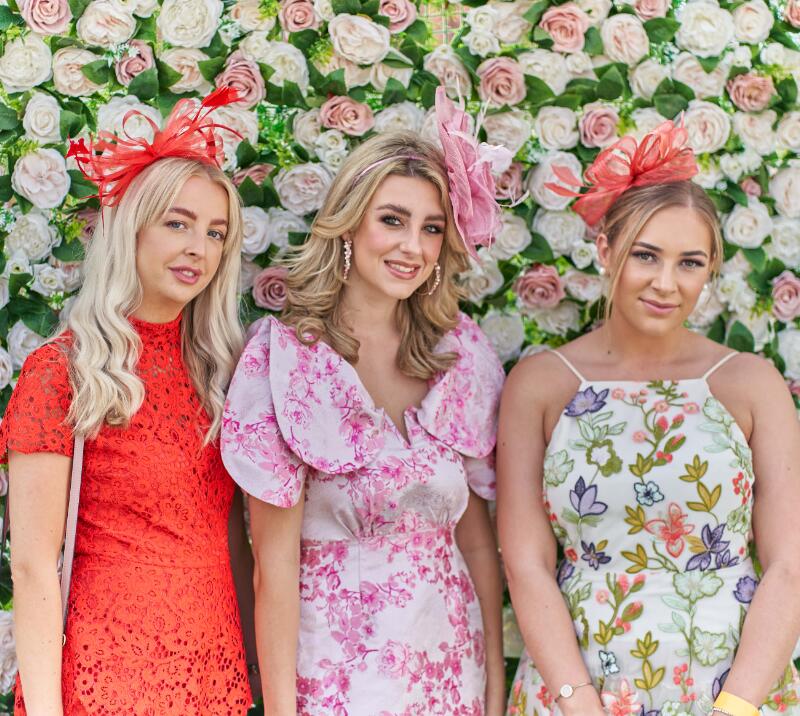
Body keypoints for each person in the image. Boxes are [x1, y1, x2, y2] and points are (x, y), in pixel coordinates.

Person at [221, 87, 508, 715]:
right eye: (393, 220)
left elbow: (477, 543)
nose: (413, 246)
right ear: (349, 222)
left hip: (451, 670)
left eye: (432, 228)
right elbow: (272, 563)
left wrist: (493, 687)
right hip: (336, 679)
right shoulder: (286, 359)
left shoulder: (460, 353)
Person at [498, 122, 800, 715]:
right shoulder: (540, 384)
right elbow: (527, 563)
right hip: (580, 684)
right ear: (606, 250)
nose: (666, 283)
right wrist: (579, 703)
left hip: (732, 686)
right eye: (645, 256)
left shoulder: (751, 383)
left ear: (711, 269)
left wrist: (736, 707)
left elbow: (789, 564)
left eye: (689, 263)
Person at [1, 88, 253, 714]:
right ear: (131, 229)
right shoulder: (63, 371)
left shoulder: (226, 372)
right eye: (177, 223)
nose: (199, 246)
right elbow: (33, 567)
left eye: (215, 232)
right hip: (107, 678)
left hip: (213, 675)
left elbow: (234, 538)